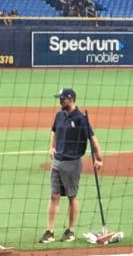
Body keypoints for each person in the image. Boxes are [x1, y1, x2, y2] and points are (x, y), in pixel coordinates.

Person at [41, 88, 104, 244]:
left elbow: (93, 140)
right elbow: (54, 131)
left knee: (71, 196)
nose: (60, 101)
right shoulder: (59, 115)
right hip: (57, 161)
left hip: (72, 162)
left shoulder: (81, 119)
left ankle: (70, 230)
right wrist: (51, 147)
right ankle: (49, 231)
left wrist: (99, 158)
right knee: (54, 195)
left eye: (62, 99)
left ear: (70, 99)